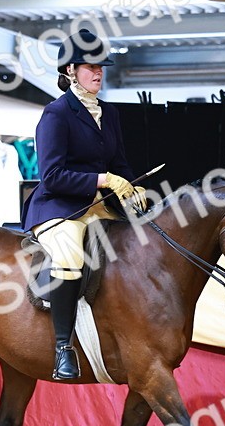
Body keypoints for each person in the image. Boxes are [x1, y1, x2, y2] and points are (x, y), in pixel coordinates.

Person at [21, 28, 144, 381]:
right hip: (60, 207)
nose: (98, 73)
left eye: (101, 67)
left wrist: (132, 188)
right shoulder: (56, 114)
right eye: (90, 67)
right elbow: (53, 175)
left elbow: (119, 164)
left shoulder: (110, 113)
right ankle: (63, 348)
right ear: (71, 70)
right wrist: (104, 181)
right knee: (72, 256)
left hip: (100, 207)